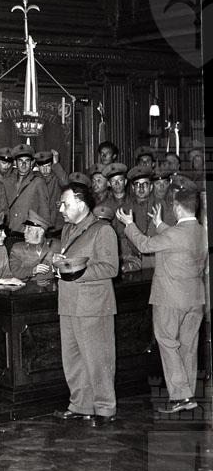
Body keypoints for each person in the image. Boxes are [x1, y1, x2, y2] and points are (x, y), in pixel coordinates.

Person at [116, 188, 207, 413]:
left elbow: (145, 245)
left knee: (167, 342)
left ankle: (181, 396)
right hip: (195, 298)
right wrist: (158, 224)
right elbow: (176, 239)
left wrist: (129, 224)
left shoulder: (175, 234)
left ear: (177, 208)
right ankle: (188, 395)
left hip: (170, 299)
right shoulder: (201, 231)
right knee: (188, 346)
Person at [53, 182, 119, 427]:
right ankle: (81, 405)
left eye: (65, 204)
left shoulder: (102, 230)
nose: (61, 209)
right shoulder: (67, 230)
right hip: (69, 304)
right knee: (73, 360)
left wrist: (75, 272)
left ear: (81, 203)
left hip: (93, 306)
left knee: (98, 359)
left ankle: (105, 408)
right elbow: (70, 261)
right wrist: (59, 263)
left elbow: (111, 268)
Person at [3, 143, 49, 236]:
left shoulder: (38, 182)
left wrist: (41, 234)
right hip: (9, 232)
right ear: (15, 163)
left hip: (28, 233)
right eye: (20, 161)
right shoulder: (7, 181)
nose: (23, 164)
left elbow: (44, 211)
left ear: (32, 163)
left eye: (27, 161)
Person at [9, 210, 61, 280]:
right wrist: (33, 270)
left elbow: (66, 270)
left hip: (50, 285)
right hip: (26, 286)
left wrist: (58, 265)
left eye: (29, 228)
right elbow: (13, 272)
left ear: (41, 231)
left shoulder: (55, 245)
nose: (24, 231)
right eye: (25, 228)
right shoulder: (17, 248)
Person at [34, 149, 66, 232]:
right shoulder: (34, 178)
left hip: (56, 224)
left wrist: (56, 164)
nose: (45, 170)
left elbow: (65, 183)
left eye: (48, 166)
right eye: (42, 167)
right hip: (39, 223)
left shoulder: (57, 176)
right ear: (37, 166)